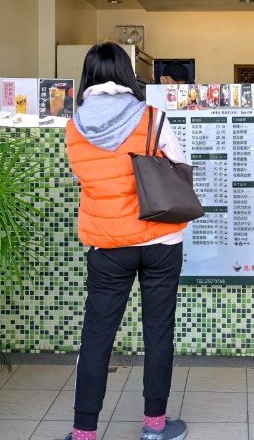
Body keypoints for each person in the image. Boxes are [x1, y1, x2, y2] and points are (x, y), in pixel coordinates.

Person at [64, 43, 189, 440]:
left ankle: (84, 432)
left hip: (107, 245)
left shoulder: (74, 126)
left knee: (97, 336)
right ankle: (154, 427)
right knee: (158, 330)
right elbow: (179, 164)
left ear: (89, 75)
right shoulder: (152, 117)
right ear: (126, 73)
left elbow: (83, 178)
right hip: (161, 239)